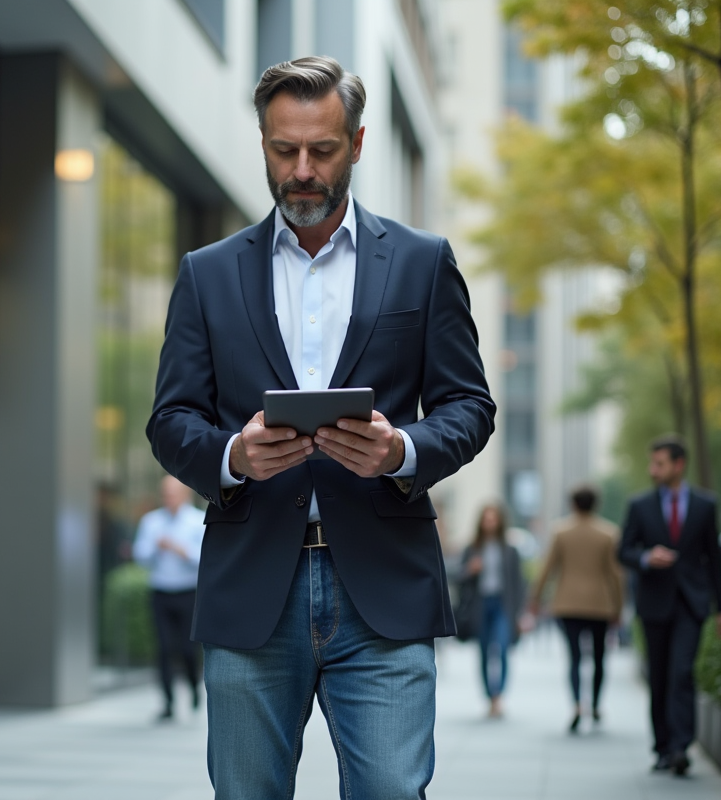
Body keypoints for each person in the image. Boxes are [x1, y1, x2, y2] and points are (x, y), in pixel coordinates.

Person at [146, 56, 495, 799]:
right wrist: (234, 456)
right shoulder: (207, 274)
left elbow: (470, 405)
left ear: (358, 144)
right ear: (263, 143)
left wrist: (402, 449)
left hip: (384, 587)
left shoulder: (423, 263)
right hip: (251, 590)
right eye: (284, 149)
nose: (302, 171)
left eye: (323, 150)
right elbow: (170, 421)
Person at [619, 435, 721, 776]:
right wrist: (646, 557)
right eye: (652, 463)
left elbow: (714, 558)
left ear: (679, 465)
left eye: (660, 463)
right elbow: (623, 551)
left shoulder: (705, 505)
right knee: (659, 676)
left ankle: (682, 746)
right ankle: (663, 747)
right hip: (654, 602)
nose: (653, 470)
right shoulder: (639, 505)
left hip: (691, 603)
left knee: (681, 672)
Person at [528, 485, 624, 733]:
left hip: (568, 603)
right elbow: (616, 574)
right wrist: (619, 606)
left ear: (573, 504)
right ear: (596, 504)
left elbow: (548, 568)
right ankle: (596, 705)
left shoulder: (561, 531)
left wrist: (536, 598)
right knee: (600, 657)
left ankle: (577, 705)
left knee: (574, 657)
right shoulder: (608, 533)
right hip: (600, 604)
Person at [132, 475, 206, 721]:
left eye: (173, 494)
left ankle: (194, 687)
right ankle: (168, 702)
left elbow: (206, 559)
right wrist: (156, 548)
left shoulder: (197, 521)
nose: (168, 498)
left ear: (185, 495)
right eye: (165, 494)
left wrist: (182, 551)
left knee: (187, 648)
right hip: (161, 592)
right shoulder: (151, 521)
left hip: (188, 593)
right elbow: (140, 556)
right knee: (164, 648)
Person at [459, 503, 525, 719]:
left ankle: (498, 695)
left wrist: (520, 613)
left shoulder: (510, 550)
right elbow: (459, 578)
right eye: (486, 519)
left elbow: (518, 583)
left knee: (503, 647)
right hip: (480, 604)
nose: (490, 523)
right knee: (484, 650)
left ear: (499, 522)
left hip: (502, 605)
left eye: (493, 519)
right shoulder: (472, 548)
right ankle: (489, 695)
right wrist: (470, 570)